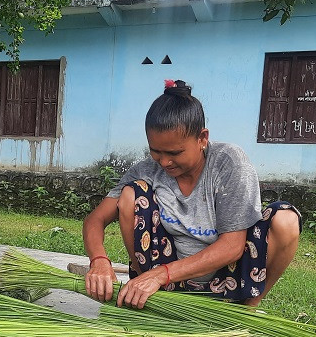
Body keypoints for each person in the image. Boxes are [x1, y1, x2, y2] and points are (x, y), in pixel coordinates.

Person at [82, 79, 302, 309]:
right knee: (129, 196)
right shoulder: (147, 170)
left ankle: (249, 306)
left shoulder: (229, 163)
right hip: (167, 279)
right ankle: (146, 293)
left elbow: (232, 246)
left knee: (286, 220)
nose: (164, 162)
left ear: (202, 138)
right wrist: (99, 261)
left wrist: (161, 274)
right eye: (155, 151)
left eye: (175, 153)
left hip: (229, 277)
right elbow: (95, 220)